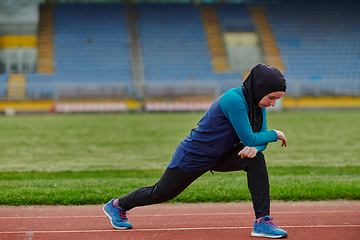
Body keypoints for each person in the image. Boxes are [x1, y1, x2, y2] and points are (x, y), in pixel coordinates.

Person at [103, 63, 288, 239]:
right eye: (271, 97)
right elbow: (252, 138)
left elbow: (258, 140)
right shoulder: (234, 99)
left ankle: (262, 221)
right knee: (161, 193)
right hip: (195, 154)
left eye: (276, 99)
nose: (273, 103)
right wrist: (276, 134)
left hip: (222, 154)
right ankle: (117, 205)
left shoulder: (258, 105)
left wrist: (255, 149)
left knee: (256, 160)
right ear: (259, 89)